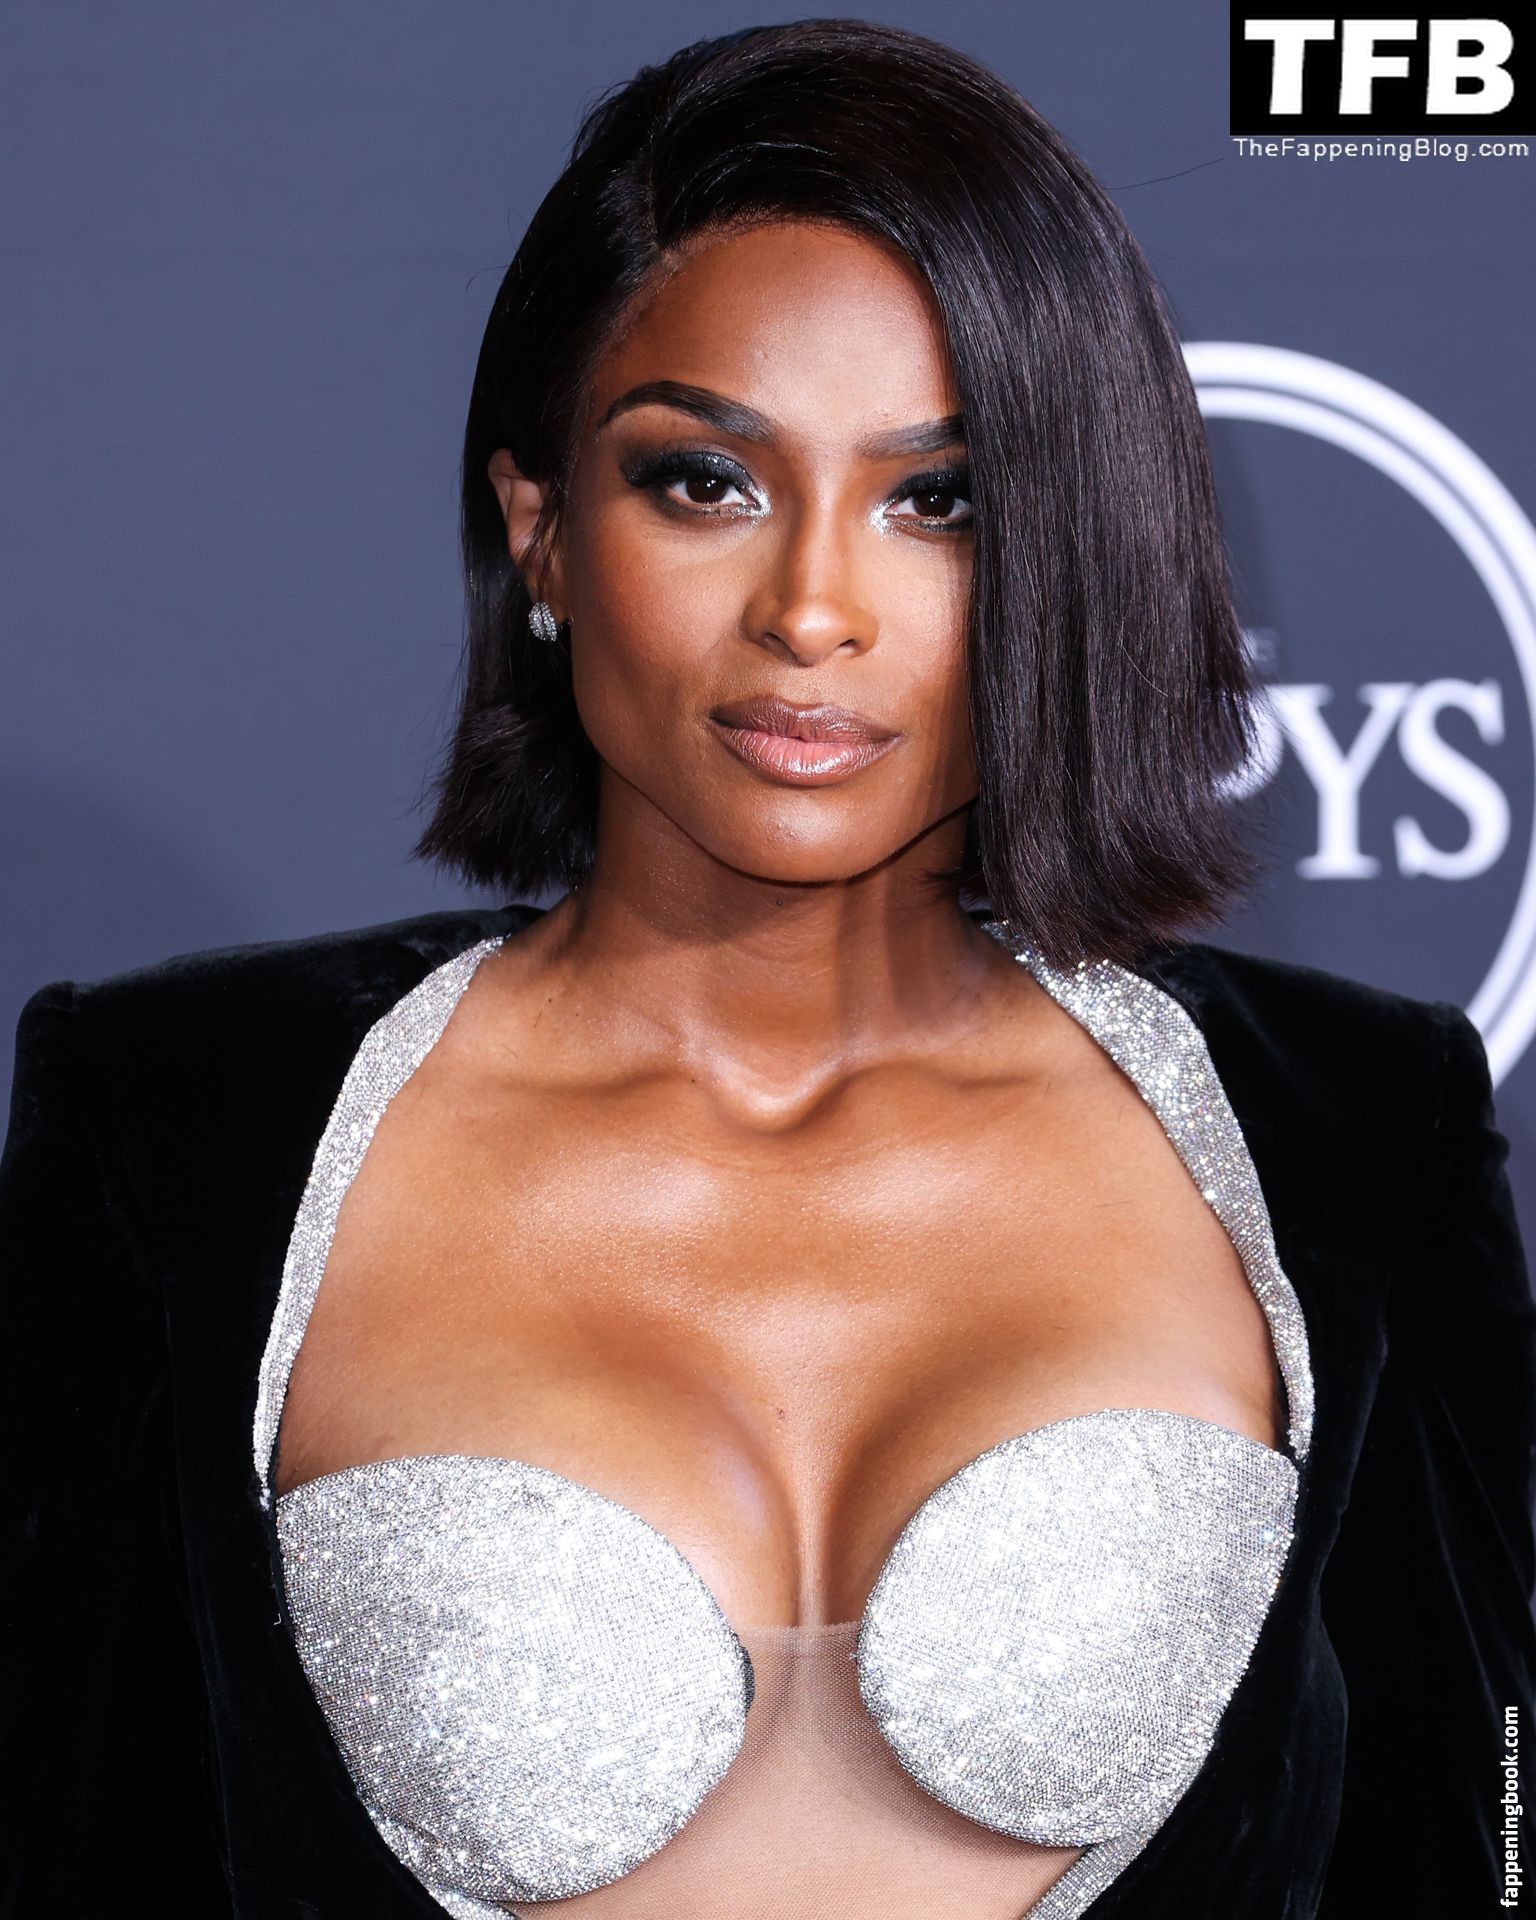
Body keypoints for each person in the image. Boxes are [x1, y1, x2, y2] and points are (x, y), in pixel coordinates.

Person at [2, 18, 1532, 1919]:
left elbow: (1480, 1841)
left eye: (939, 500)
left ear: (1075, 554)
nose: (813, 608)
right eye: (705, 480)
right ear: (542, 536)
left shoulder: (1358, 1130)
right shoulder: (180, 1123)